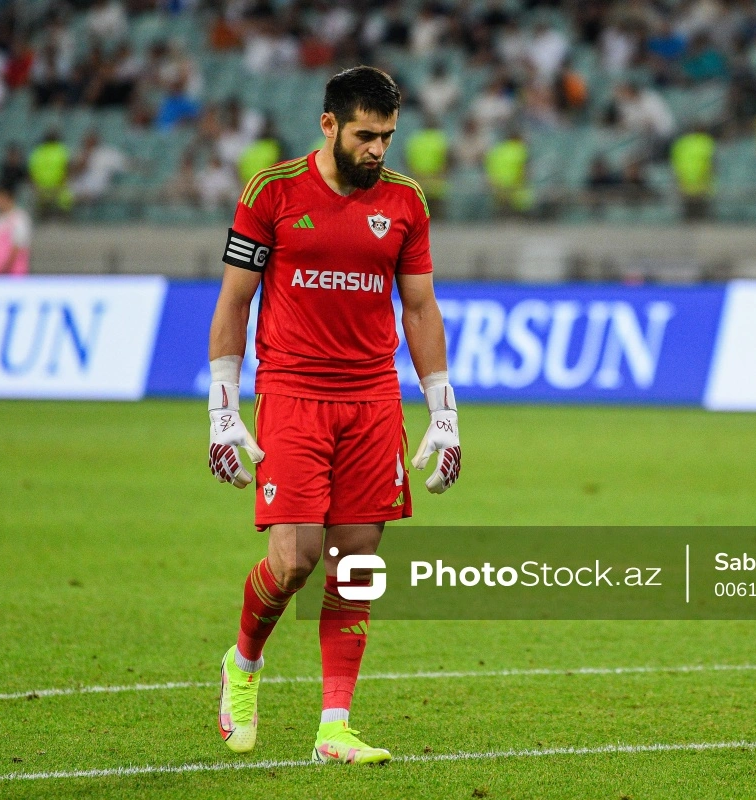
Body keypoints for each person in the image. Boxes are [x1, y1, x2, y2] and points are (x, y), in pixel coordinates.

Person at [209, 66, 460, 765]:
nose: (378, 149)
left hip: (374, 398)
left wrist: (443, 410)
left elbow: (419, 307)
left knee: (355, 566)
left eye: (387, 136)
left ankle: (334, 726)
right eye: (365, 135)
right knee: (295, 560)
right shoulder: (274, 192)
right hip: (292, 392)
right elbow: (233, 302)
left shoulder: (407, 202)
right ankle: (243, 665)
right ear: (329, 126)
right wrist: (222, 408)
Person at [0, 182, 31, 275]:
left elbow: (18, 246)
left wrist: (5, 270)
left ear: (7, 197)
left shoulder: (19, 218)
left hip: (13, 274)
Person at [670, 126, 715, 221]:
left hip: (684, 186)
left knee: (688, 218)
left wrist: (678, 183)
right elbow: (711, 165)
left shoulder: (680, 143)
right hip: (702, 186)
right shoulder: (706, 142)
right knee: (702, 218)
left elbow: (675, 166)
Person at [28, 129, 72, 218]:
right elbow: (67, 170)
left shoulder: (38, 152)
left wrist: (36, 187)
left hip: (42, 188)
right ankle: (62, 220)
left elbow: (31, 173)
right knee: (65, 200)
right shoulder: (61, 150)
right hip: (57, 187)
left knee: (62, 199)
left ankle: (47, 218)